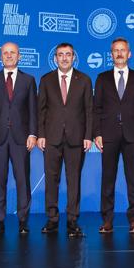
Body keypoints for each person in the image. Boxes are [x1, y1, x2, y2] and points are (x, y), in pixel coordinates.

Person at [94, 37, 134, 234]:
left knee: (133, 179)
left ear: (129, 53)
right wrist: (97, 133)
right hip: (108, 135)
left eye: (122, 50)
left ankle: (133, 219)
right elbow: (96, 108)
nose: (119, 53)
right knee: (107, 179)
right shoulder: (102, 78)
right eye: (116, 50)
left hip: (132, 135)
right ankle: (107, 220)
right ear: (111, 55)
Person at [37, 42, 92, 237]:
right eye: (60, 54)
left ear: (74, 57)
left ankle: (72, 220)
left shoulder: (84, 80)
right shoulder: (46, 80)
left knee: (73, 180)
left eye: (68, 54)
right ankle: (52, 219)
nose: (64, 58)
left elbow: (89, 110)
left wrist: (88, 136)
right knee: (51, 180)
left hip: (76, 138)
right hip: (51, 138)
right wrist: (41, 134)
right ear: (55, 58)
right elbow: (41, 110)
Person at [0, 42, 37, 235]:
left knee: (23, 180)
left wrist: (33, 134)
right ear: (1, 56)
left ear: (19, 56)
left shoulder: (28, 80)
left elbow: (33, 109)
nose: (8, 55)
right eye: (5, 53)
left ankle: (23, 221)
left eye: (12, 52)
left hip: (21, 138)